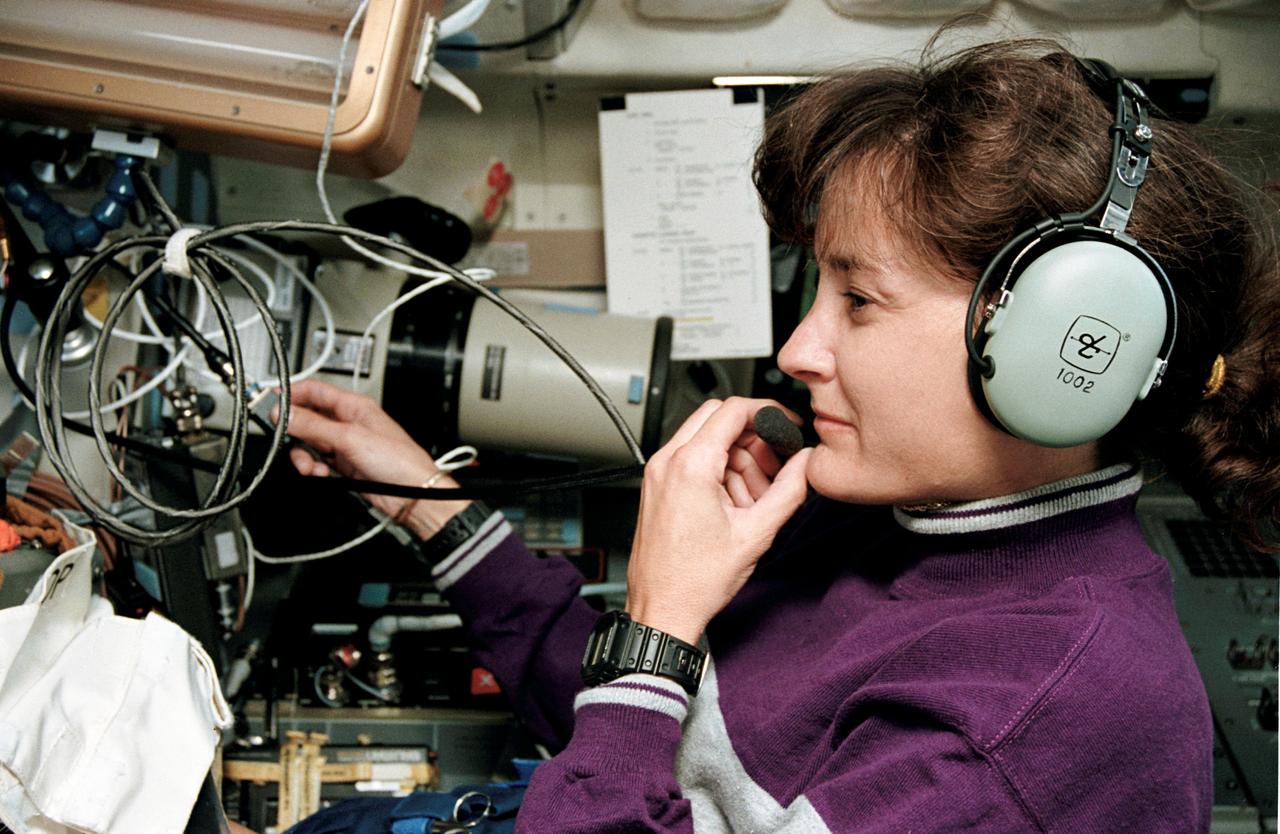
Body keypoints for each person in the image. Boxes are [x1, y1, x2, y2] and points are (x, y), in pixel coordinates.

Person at [278, 38, 1277, 834]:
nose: (798, 349)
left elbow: (632, 728)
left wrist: (657, 631)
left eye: (858, 298)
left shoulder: (1040, 721)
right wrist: (420, 499)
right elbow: (637, 741)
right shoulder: (892, 516)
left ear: (1063, 348)